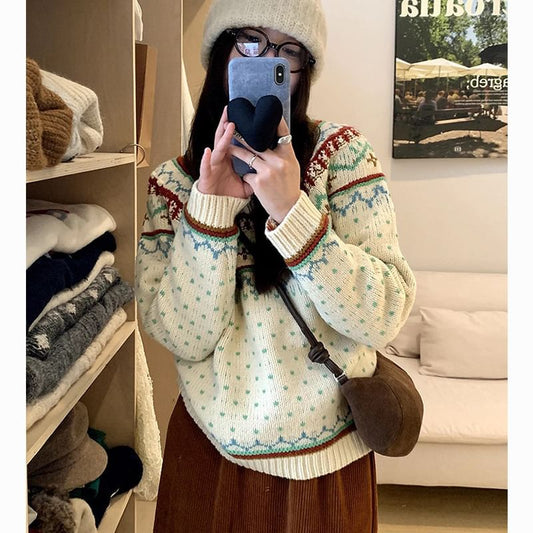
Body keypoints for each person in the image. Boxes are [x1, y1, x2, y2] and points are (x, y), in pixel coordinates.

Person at [135, 0, 416, 531]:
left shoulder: (342, 155)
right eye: (250, 41)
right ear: (220, 55)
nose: (267, 59)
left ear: (303, 71)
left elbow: (383, 315)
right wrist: (211, 208)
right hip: (210, 453)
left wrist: (293, 211)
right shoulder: (173, 184)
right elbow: (185, 337)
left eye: (288, 51)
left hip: (328, 463)